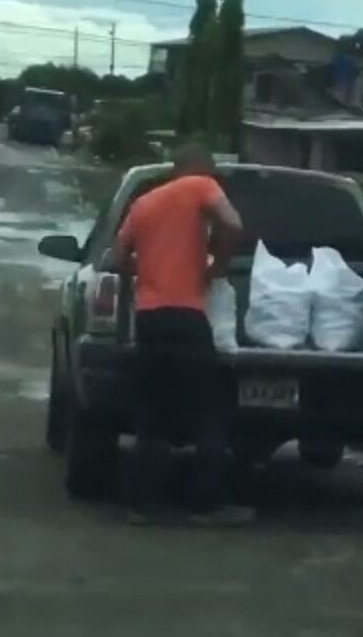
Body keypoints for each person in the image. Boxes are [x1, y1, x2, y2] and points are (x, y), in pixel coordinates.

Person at [112, 142, 253, 526]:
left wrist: (146, 276)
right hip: (188, 316)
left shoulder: (143, 203)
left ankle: (138, 505)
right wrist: (218, 264)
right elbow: (234, 224)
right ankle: (207, 506)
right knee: (207, 410)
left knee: (151, 413)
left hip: (149, 319)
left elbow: (120, 255)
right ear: (198, 167)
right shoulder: (200, 186)